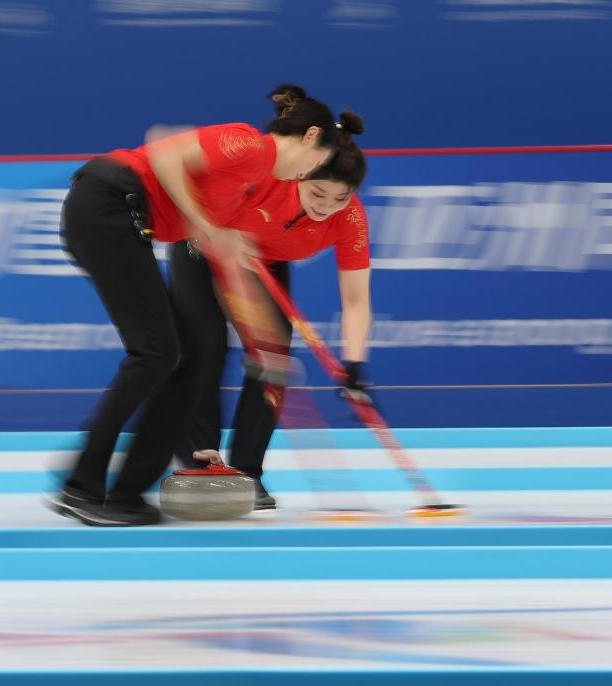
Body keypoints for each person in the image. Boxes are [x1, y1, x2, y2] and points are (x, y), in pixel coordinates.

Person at [51, 85, 338, 526]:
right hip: (108, 204)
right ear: (310, 136)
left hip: (120, 217)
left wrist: (262, 336)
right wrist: (204, 224)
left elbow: (222, 249)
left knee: (184, 360)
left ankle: (126, 492)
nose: (308, 174)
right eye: (316, 162)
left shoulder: (250, 181)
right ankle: (82, 484)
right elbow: (164, 148)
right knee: (156, 353)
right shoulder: (251, 145)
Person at [167, 111, 372, 510]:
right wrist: (218, 232)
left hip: (264, 261)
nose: (327, 207)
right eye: (318, 194)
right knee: (206, 346)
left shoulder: (350, 218)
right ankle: (200, 461)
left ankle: (248, 472)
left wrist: (355, 364)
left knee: (273, 360)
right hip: (202, 245)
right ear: (301, 175)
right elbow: (195, 184)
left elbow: (356, 299)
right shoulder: (267, 175)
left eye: (340, 198)